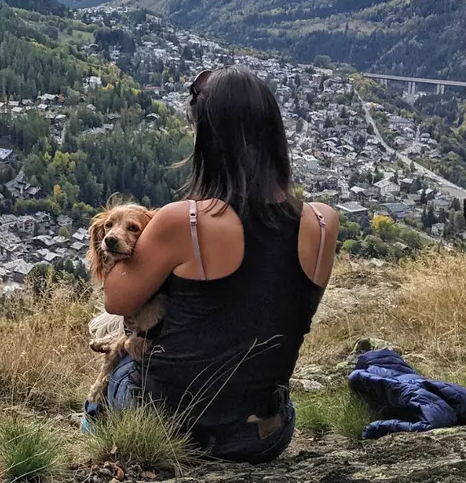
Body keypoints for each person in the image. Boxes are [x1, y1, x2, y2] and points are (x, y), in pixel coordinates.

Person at [85, 66, 339, 464]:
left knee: (115, 372)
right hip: (263, 434)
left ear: (208, 141)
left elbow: (116, 300)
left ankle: (97, 433)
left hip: (167, 424)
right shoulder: (323, 223)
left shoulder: (181, 221)